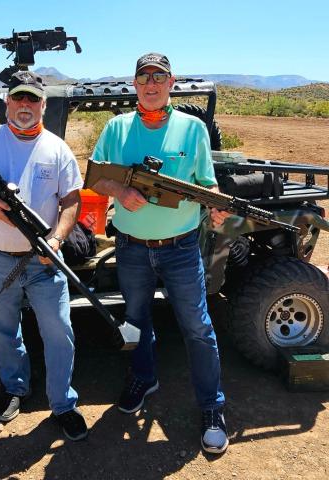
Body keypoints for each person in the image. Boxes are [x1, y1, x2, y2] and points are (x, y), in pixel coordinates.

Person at [90, 53, 231, 454]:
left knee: (198, 328)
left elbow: (207, 183)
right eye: (143, 77)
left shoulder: (192, 129)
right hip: (131, 248)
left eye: (159, 77)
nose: (151, 84)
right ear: (134, 85)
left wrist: (217, 206)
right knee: (136, 321)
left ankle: (211, 407)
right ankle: (143, 376)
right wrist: (120, 191)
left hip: (181, 248)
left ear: (172, 83)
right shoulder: (117, 128)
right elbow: (96, 175)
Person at [0, 71, 88, 441]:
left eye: (32, 99)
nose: (25, 106)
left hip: (43, 261)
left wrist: (56, 240)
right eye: (18, 98)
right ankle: (15, 388)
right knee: (4, 331)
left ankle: (63, 404)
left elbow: (72, 201)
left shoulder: (57, 149)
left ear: (43, 104)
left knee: (59, 332)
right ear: (8, 102)